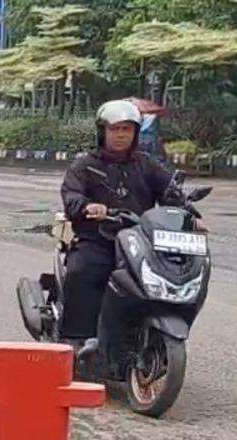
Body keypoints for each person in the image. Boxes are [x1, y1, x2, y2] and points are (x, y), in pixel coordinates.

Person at [59, 100, 174, 346]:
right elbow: (71, 196)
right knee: (82, 271)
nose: (121, 135)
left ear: (135, 133)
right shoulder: (85, 165)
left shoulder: (147, 164)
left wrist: (190, 215)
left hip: (139, 242)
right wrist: (87, 206)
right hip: (98, 240)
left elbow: (171, 194)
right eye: (115, 129)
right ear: (102, 132)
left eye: (127, 129)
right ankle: (75, 339)